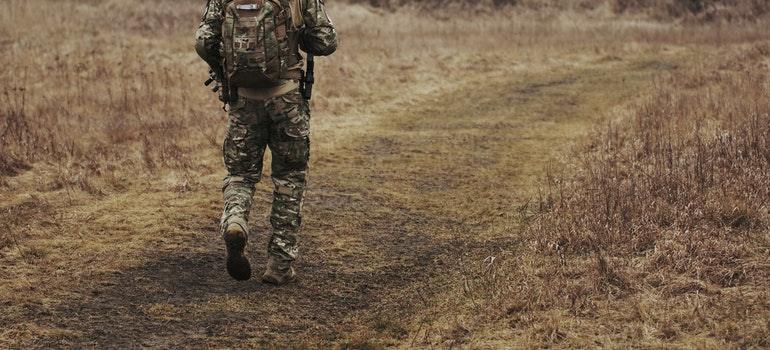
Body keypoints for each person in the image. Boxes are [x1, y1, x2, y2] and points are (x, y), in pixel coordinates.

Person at [194, 0, 337, 284]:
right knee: (290, 179)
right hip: (287, 98)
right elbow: (326, 41)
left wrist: (224, 73)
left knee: (240, 175)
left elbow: (203, 41)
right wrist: (298, 36)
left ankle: (235, 220)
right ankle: (279, 265)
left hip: (243, 99)